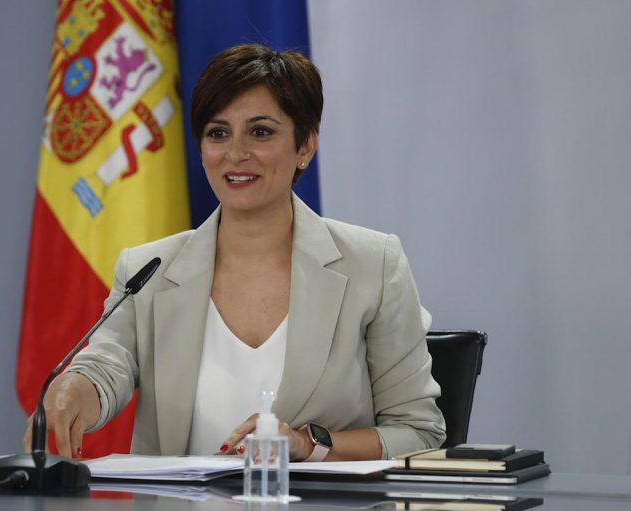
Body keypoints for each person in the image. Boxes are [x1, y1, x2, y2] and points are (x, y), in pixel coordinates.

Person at [23, 44, 446, 462]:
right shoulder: (147, 270)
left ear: (305, 146)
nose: (236, 153)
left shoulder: (373, 264)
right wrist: (76, 387)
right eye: (218, 133)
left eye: (260, 132)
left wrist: (308, 444)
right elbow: (106, 366)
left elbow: (419, 432)